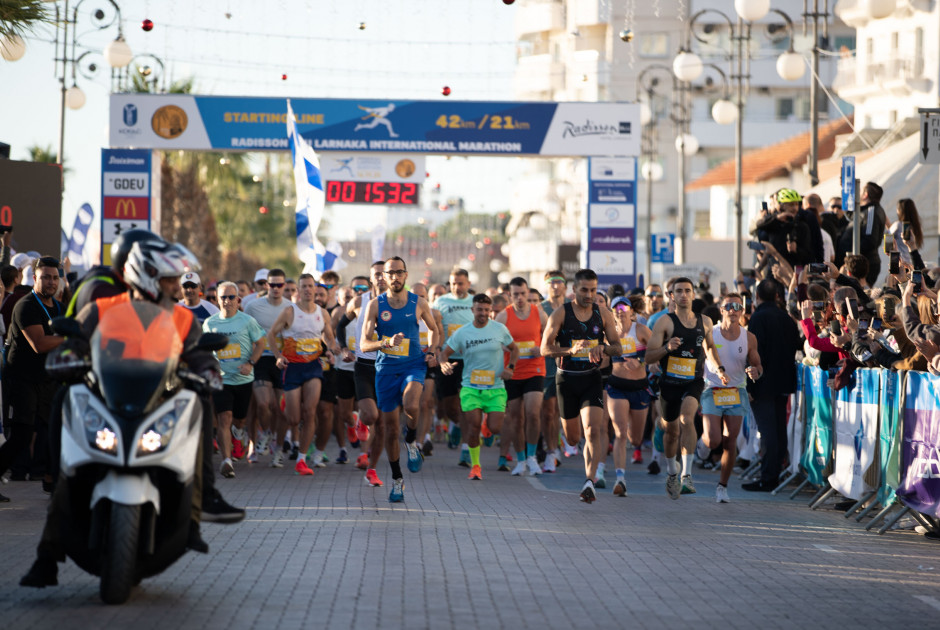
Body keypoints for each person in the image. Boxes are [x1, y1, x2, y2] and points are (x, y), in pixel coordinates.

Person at [20, 240, 222, 587]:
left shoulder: (180, 317)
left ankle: (194, 509)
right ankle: (48, 547)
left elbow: (196, 352)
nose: (176, 285)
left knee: (199, 407)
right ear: (147, 276)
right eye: (169, 278)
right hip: (108, 400)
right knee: (66, 414)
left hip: (156, 403)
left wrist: (206, 370)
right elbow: (76, 340)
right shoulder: (104, 308)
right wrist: (69, 358)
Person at [360, 257, 439, 501]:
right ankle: (397, 479)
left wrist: (433, 352)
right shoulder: (375, 305)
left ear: (406, 275)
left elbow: (434, 330)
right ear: (383, 276)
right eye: (390, 273)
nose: (394, 277)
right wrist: (385, 342)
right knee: (390, 429)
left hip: (413, 365)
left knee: (412, 404)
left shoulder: (419, 302)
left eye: (399, 272)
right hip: (386, 371)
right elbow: (364, 344)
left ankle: (412, 442)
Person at [540, 268, 621, 503]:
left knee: (593, 430)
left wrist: (603, 348)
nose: (589, 294)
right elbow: (545, 349)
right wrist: (569, 350)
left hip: (591, 378)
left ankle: (589, 481)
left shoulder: (603, 314)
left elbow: (618, 347)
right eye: (584, 290)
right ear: (573, 289)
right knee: (574, 438)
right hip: (566, 379)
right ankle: (572, 450)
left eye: (593, 290)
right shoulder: (560, 314)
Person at [644, 277, 728, 499]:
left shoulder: (706, 322)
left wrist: (719, 368)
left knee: (687, 419)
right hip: (669, 382)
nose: (683, 294)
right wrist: (666, 347)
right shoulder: (664, 322)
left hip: (693, 380)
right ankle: (672, 472)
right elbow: (648, 356)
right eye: (678, 291)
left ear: (693, 295)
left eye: (687, 291)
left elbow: (709, 347)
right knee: (671, 431)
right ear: (671, 296)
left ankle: (687, 476)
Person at [0, 257, 65, 494]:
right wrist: (74, 339)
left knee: (53, 430)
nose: (51, 282)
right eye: (46, 277)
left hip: (46, 379)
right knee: (21, 435)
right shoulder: (27, 305)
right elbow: (39, 343)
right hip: (21, 379)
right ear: (34, 278)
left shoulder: (58, 307)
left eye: (55, 277)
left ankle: (50, 480)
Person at [440, 293, 519, 481]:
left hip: (495, 387)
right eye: (479, 310)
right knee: (473, 426)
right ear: (472, 310)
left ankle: (487, 422)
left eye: (486, 310)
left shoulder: (499, 329)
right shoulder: (462, 332)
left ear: (490, 310)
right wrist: (444, 364)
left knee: (496, 427)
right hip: (471, 387)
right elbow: (445, 353)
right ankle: (476, 466)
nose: (482, 313)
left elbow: (514, 349)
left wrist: (511, 367)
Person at [268, 274, 340, 477]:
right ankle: (287, 406)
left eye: (311, 286)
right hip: (292, 368)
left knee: (310, 411)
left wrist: (332, 350)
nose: (308, 290)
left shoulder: (322, 313)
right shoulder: (290, 312)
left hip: (313, 368)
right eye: (304, 287)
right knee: (293, 418)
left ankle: (301, 459)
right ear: (298, 290)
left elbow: (329, 338)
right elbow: (271, 334)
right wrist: (278, 356)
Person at [701, 293, 762, 503]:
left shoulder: (748, 337)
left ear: (742, 311)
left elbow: (758, 365)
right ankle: (703, 441)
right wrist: (718, 371)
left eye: (737, 306)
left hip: (736, 392)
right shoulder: (712, 333)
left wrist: (756, 372)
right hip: (713, 389)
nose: (733, 310)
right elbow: (708, 355)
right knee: (713, 440)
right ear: (722, 309)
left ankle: (722, 487)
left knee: (730, 441)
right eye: (729, 306)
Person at [202, 282, 266, 479]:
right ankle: (226, 461)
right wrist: (212, 363)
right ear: (218, 299)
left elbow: (261, 343)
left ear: (238, 300)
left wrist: (250, 363)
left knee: (239, 419)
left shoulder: (247, 321)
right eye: (223, 297)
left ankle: (239, 433)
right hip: (222, 379)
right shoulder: (210, 323)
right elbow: (205, 349)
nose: (227, 301)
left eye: (231, 297)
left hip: (243, 379)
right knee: (224, 417)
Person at [743, 279, 801, 492]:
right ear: (777, 296)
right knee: (778, 431)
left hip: (764, 382)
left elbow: (754, 353)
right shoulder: (786, 318)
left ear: (757, 296)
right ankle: (773, 473)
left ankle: (768, 477)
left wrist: (751, 385)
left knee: (768, 432)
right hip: (784, 381)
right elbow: (796, 345)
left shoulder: (758, 318)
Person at [495, 277, 547, 477]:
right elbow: (495, 343)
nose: (519, 298)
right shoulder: (503, 316)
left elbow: (552, 336)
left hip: (535, 369)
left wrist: (540, 349)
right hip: (513, 371)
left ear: (528, 293)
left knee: (533, 413)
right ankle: (521, 459)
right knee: (516, 418)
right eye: (515, 294)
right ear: (509, 295)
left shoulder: (538, 313)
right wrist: (506, 352)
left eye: (523, 294)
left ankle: (533, 457)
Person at [244, 269, 292, 466]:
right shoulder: (253, 306)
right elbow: (243, 331)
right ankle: (265, 433)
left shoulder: (291, 307)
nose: (275, 289)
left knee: (282, 410)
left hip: (282, 360)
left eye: (280, 285)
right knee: (263, 404)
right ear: (266, 286)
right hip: (261, 359)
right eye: (271, 285)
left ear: (284, 287)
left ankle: (279, 449)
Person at [604, 296, 651, 496]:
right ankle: (620, 478)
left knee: (636, 438)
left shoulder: (640, 330)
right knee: (620, 433)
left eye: (624, 307)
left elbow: (657, 351)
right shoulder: (609, 333)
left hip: (639, 388)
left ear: (631, 311)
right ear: (612, 311)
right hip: (616, 387)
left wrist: (640, 361)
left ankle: (635, 441)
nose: (620, 310)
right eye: (616, 307)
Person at [434, 268, 475, 466]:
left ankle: (466, 450)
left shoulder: (475, 303)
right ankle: (456, 424)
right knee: (450, 407)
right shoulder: (441, 302)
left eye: (460, 283)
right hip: (447, 358)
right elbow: (432, 326)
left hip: (469, 359)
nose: (456, 287)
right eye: (452, 283)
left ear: (468, 283)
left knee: (467, 405)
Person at [540, 270, 569, 472]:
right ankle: (551, 452)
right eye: (552, 283)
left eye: (559, 282)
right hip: (548, 367)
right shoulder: (540, 309)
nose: (555, 286)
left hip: (571, 366)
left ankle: (559, 443)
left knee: (562, 413)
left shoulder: (572, 308)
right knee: (548, 413)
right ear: (546, 286)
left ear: (565, 286)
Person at [835, 181, 886, 286]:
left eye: (861, 190)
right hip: (859, 263)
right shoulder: (866, 210)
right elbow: (850, 214)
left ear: (865, 194)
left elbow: (870, 240)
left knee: (860, 294)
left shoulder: (871, 211)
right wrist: (845, 191)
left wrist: (852, 256)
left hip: (863, 265)